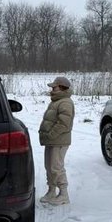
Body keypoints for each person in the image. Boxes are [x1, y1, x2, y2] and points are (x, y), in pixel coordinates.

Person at [38, 76, 75, 205]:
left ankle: (64, 194)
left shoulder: (65, 102)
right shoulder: (56, 100)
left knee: (56, 167)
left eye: (55, 87)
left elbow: (64, 124)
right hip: (52, 140)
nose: (52, 89)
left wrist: (51, 134)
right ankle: (51, 191)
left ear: (62, 87)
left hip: (59, 141)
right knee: (49, 166)